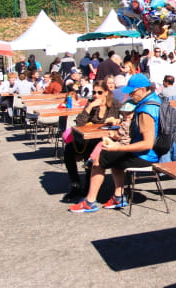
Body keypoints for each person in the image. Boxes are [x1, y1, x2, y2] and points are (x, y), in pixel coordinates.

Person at [69, 74, 160, 213]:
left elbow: (147, 143)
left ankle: (89, 201)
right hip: (153, 153)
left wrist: (118, 146)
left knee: (99, 159)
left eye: (132, 91)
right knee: (114, 157)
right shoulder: (155, 100)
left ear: (142, 90)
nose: (130, 94)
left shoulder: (145, 110)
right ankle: (118, 197)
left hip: (146, 156)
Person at [62, 81, 122, 202]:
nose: (96, 95)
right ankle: (75, 183)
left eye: (99, 92)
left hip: (106, 138)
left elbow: (126, 118)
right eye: (94, 92)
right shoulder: (91, 103)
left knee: (91, 148)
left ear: (106, 92)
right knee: (68, 150)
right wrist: (89, 107)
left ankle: (89, 183)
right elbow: (79, 123)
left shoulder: (115, 104)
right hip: (88, 138)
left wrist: (116, 120)